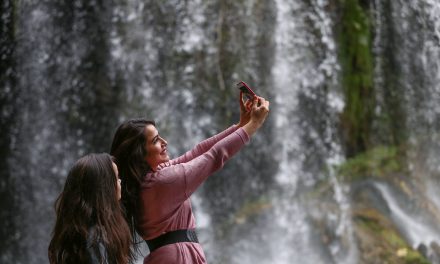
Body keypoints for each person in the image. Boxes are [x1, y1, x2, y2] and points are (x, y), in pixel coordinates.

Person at [110, 93, 270, 263]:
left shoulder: (146, 181)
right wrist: (254, 124)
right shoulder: (164, 181)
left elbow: (197, 152)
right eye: (156, 140)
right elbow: (213, 157)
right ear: (139, 154)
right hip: (178, 257)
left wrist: (241, 125)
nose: (165, 142)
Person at [48, 153, 133, 264]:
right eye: (116, 178)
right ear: (104, 187)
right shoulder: (96, 239)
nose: (120, 181)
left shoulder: (84, 232)